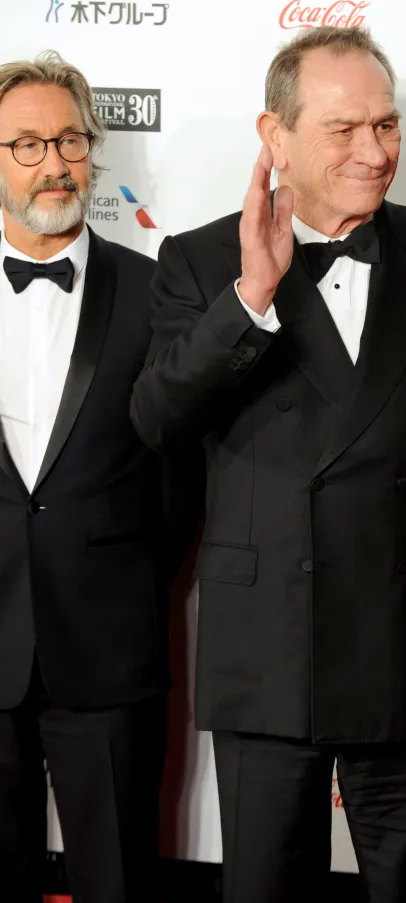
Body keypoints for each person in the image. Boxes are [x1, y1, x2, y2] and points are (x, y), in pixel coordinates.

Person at [130, 26, 406, 903]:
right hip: (268, 648)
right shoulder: (203, 260)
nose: (375, 150)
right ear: (275, 137)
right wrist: (253, 296)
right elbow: (157, 419)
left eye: (386, 126)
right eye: (344, 129)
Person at [0, 51, 201, 903]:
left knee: (116, 880)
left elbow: (179, 481)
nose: (54, 163)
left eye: (71, 140)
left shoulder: (157, 292)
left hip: (110, 649)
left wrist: (116, 575)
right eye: (27, 144)